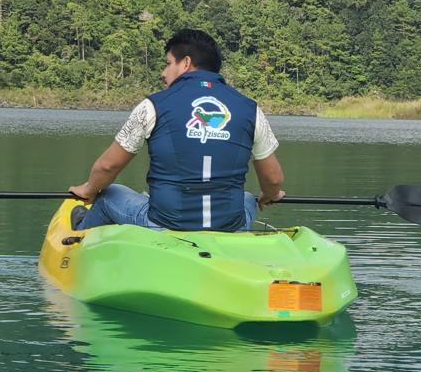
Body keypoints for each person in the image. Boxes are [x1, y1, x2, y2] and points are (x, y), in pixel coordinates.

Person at [68, 29, 285, 231]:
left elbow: (107, 166)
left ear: (186, 63)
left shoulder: (152, 105)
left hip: (165, 224)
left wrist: (89, 189)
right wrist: (270, 194)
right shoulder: (251, 109)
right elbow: (273, 179)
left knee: (109, 193)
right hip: (229, 226)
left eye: (168, 64)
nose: (163, 73)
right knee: (247, 198)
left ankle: (78, 235)